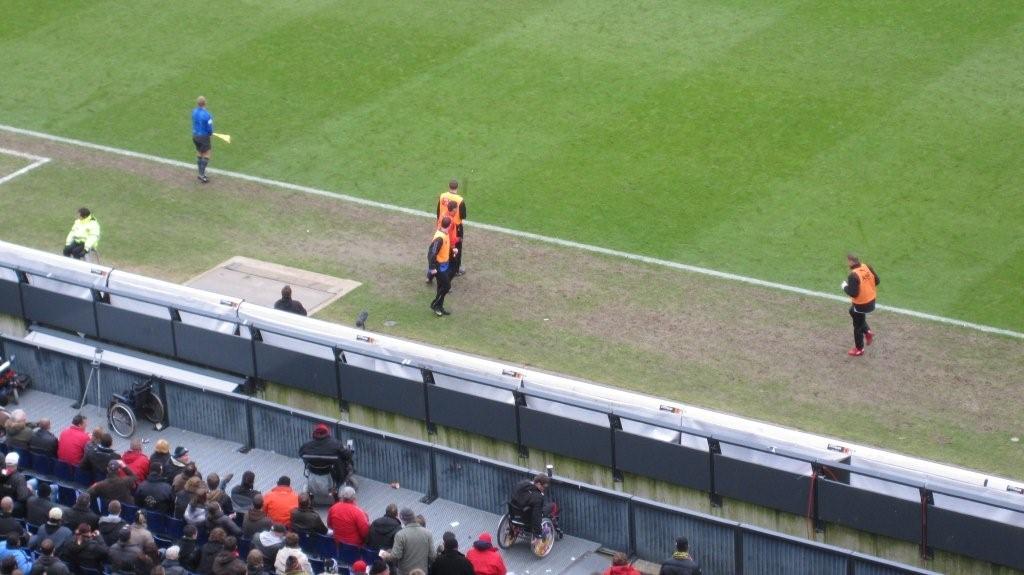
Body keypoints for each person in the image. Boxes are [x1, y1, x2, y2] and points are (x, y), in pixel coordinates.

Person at [841, 254, 880, 357]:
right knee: (852, 312)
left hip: (861, 304)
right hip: (871, 301)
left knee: (857, 326)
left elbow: (853, 293)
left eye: (847, 262)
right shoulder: (866, 266)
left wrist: (844, 286)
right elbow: (877, 281)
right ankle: (867, 332)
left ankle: (859, 349)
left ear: (851, 262)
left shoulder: (853, 275)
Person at [299, 423, 353, 491]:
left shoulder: (307, 445)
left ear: (314, 433)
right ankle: (342, 484)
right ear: (327, 433)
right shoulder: (335, 444)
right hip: (330, 472)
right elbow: (347, 455)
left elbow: (300, 454)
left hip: (313, 470)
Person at [381, 508, 434, 575]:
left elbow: (395, 556)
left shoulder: (400, 535)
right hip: (422, 572)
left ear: (402, 519)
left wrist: (386, 556)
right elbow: (432, 556)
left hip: (404, 572)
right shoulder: (428, 533)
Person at [436, 179, 467, 277]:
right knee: (456, 247)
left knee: (443, 245)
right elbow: (463, 215)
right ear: (457, 187)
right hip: (455, 227)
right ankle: (456, 269)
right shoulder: (460, 200)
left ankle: (438, 265)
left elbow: (438, 211)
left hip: (442, 225)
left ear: (449, 186)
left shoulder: (442, 196)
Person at [509, 475, 551, 542]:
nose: (544, 489)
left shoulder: (522, 483)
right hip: (526, 518)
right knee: (549, 507)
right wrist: (538, 533)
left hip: (513, 511)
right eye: (544, 487)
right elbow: (536, 516)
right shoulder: (538, 497)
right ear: (539, 484)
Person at [427, 216, 454, 316]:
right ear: (450, 225)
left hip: (444, 265)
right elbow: (432, 253)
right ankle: (435, 304)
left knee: (441, 287)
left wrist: (452, 252)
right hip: (439, 267)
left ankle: (439, 307)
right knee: (447, 286)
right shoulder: (439, 238)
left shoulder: (445, 234)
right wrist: (432, 268)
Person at [192, 96, 214, 184]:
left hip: (195, 136)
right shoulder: (207, 115)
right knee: (207, 154)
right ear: (205, 103)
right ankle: (202, 175)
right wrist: (210, 133)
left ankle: (200, 173)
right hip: (204, 137)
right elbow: (209, 128)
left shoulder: (194, 112)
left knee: (199, 153)